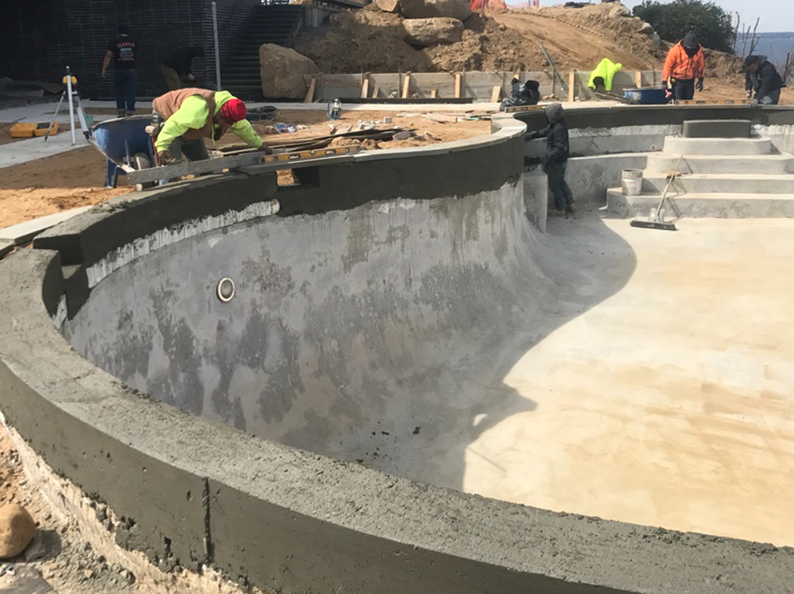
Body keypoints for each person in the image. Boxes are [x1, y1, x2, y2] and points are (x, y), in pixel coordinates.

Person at [151, 88, 271, 165]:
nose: (225, 125)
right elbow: (173, 125)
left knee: (205, 168)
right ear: (220, 112)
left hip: (190, 129)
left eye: (229, 123)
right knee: (172, 171)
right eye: (224, 120)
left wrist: (260, 146)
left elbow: (245, 130)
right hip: (169, 121)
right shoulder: (198, 111)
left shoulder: (232, 113)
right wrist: (162, 148)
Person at [526, 103, 574, 217]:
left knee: (554, 185)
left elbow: (560, 148)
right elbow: (546, 130)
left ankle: (560, 208)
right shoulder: (558, 124)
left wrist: (547, 158)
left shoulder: (558, 129)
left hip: (556, 161)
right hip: (560, 160)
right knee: (560, 181)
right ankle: (570, 203)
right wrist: (533, 135)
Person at [102, 25, 138, 118]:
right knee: (131, 91)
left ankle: (121, 110)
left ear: (118, 32)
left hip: (119, 69)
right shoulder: (134, 41)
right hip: (131, 68)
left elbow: (108, 55)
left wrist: (104, 68)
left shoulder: (114, 41)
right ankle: (130, 110)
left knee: (119, 91)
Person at [662, 32, 705, 101]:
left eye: (693, 48)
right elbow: (667, 66)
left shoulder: (698, 52)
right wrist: (664, 81)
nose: (691, 50)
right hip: (677, 80)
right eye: (689, 48)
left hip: (690, 81)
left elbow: (700, 66)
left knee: (689, 102)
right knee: (678, 101)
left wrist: (700, 79)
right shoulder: (675, 51)